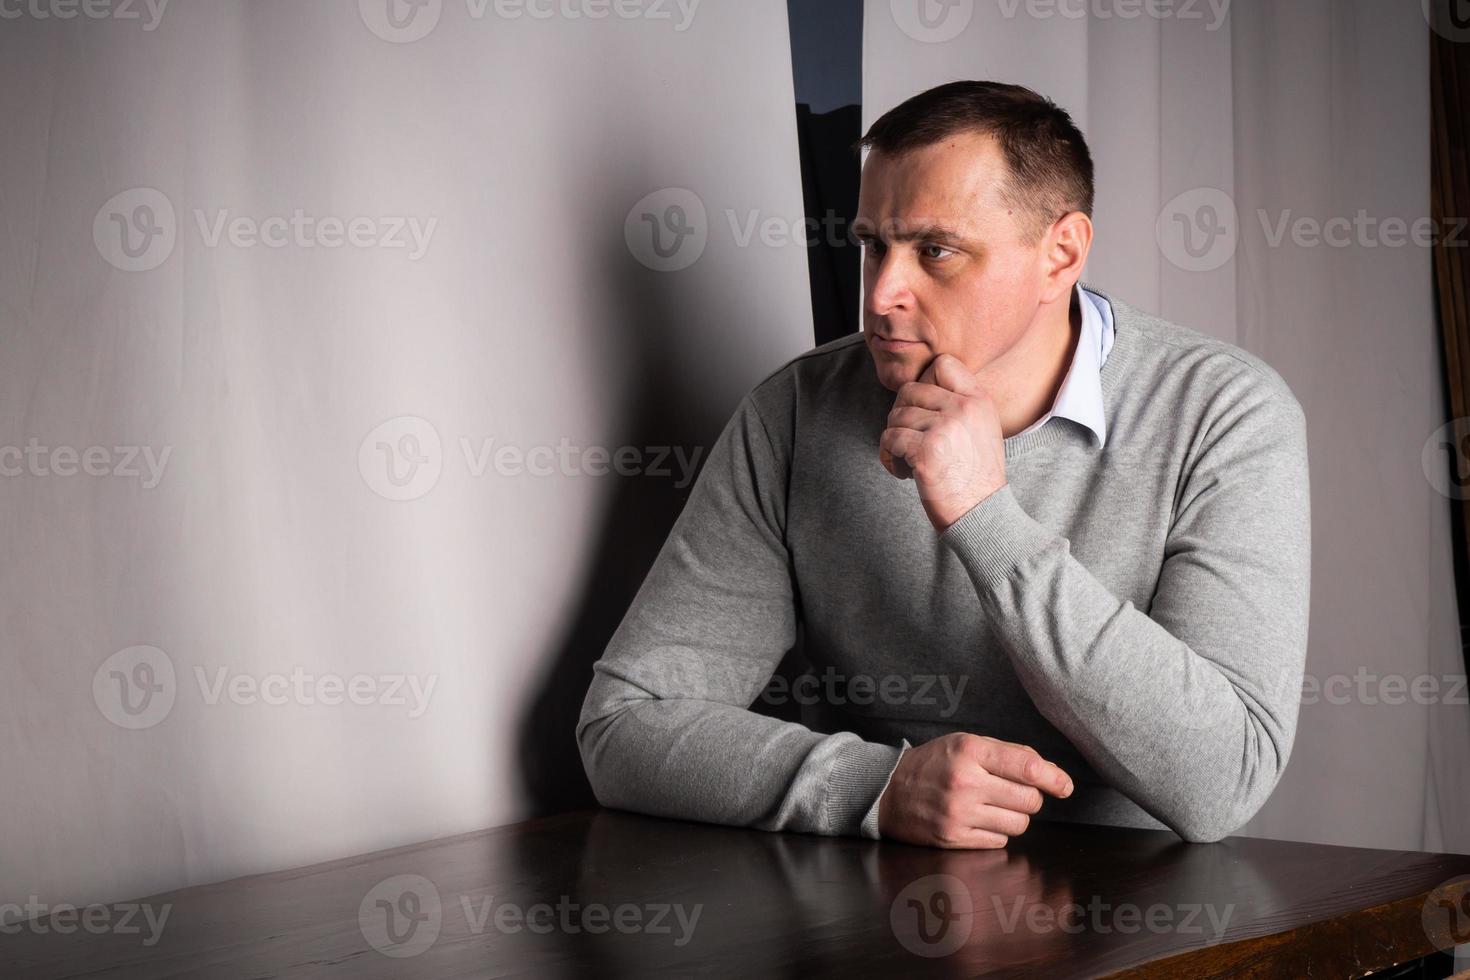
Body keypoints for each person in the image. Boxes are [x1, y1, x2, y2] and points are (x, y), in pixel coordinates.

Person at [577, 80, 1311, 848]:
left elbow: (1224, 779)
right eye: (873, 246)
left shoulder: (1226, 413)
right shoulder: (795, 412)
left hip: (1142, 920)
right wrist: (881, 788)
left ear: (1060, 254)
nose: (885, 292)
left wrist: (983, 515)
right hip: (874, 910)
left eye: (937, 251)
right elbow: (626, 727)